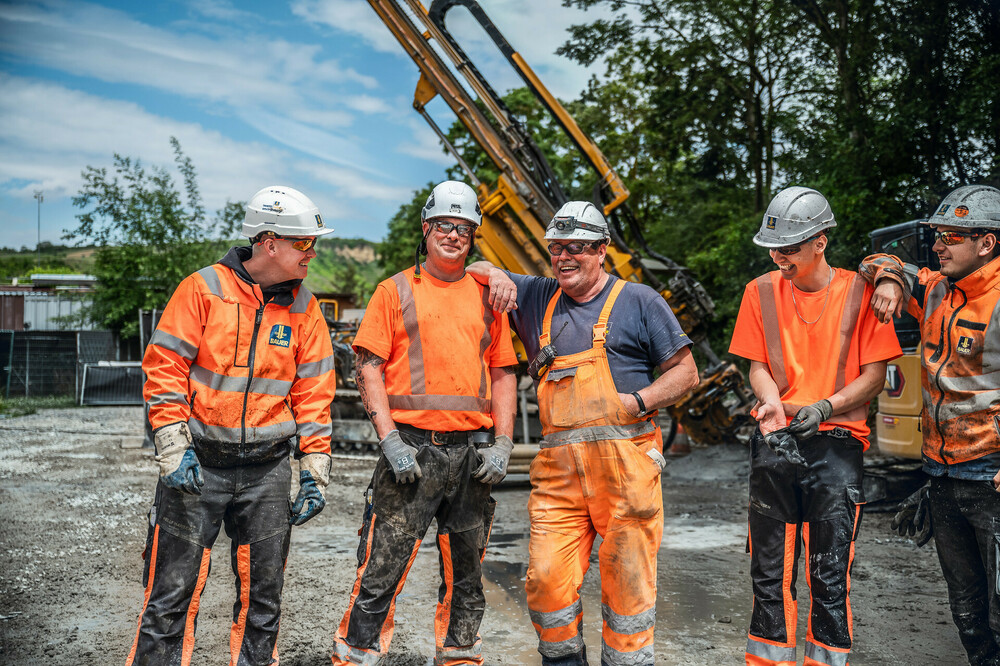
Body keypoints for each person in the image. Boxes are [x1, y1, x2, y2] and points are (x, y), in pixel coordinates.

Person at [467, 201, 699, 666]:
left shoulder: (639, 300)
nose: (564, 257)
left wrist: (636, 402)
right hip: (558, 478)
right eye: (556, 248)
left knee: (628, 589)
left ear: (602, 250)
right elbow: (474, 263)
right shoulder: (536, 296)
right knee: (547, 582)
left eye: (576, 247)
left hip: (626, 472)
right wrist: (493, 273)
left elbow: (686, 374)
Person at [126, 186, 337, 665]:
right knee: (171, 596)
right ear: (269, 242)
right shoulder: (202, 289)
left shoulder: (307, 309)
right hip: (199, 463)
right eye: (304, 243)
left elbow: (315, 394)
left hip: (268, 471)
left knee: (264, 602)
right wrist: (173, 448)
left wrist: (315, 470)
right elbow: (164, 368)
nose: (313, 252)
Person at [332, 180, 518, 666]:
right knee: (381, 569)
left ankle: (458, 656)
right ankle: (356, 654)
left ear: (473, 236)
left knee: (467, 574)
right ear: (426, 228)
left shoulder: (486, 295)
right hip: (410, 450)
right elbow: (368, 365)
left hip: (471, 456)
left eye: (463, 228)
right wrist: (389, 439)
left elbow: (503, 373)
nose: (453, 235)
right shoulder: (394, 290)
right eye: (443, 226)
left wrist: (503, 442)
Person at [728, 186, 901, 666]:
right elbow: (757, 364)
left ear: (819, 242)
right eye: (774, 249)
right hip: (776, 439)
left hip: (838, 446)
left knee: (829, 573)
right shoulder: (759, 291)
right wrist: (771, 404)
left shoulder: (860, 292)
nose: (780, 258)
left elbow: (873, 378)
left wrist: (825, 408)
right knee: (768, 572)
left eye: (790, 249)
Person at [860, 184, 1000, 665]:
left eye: (950, 237)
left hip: (991, 475)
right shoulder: (938, 287)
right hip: (941, 474)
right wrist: (892, 281)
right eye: (938, 235)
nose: (938, 246)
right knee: (966, 609)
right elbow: (877, 259)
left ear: (987, 243)